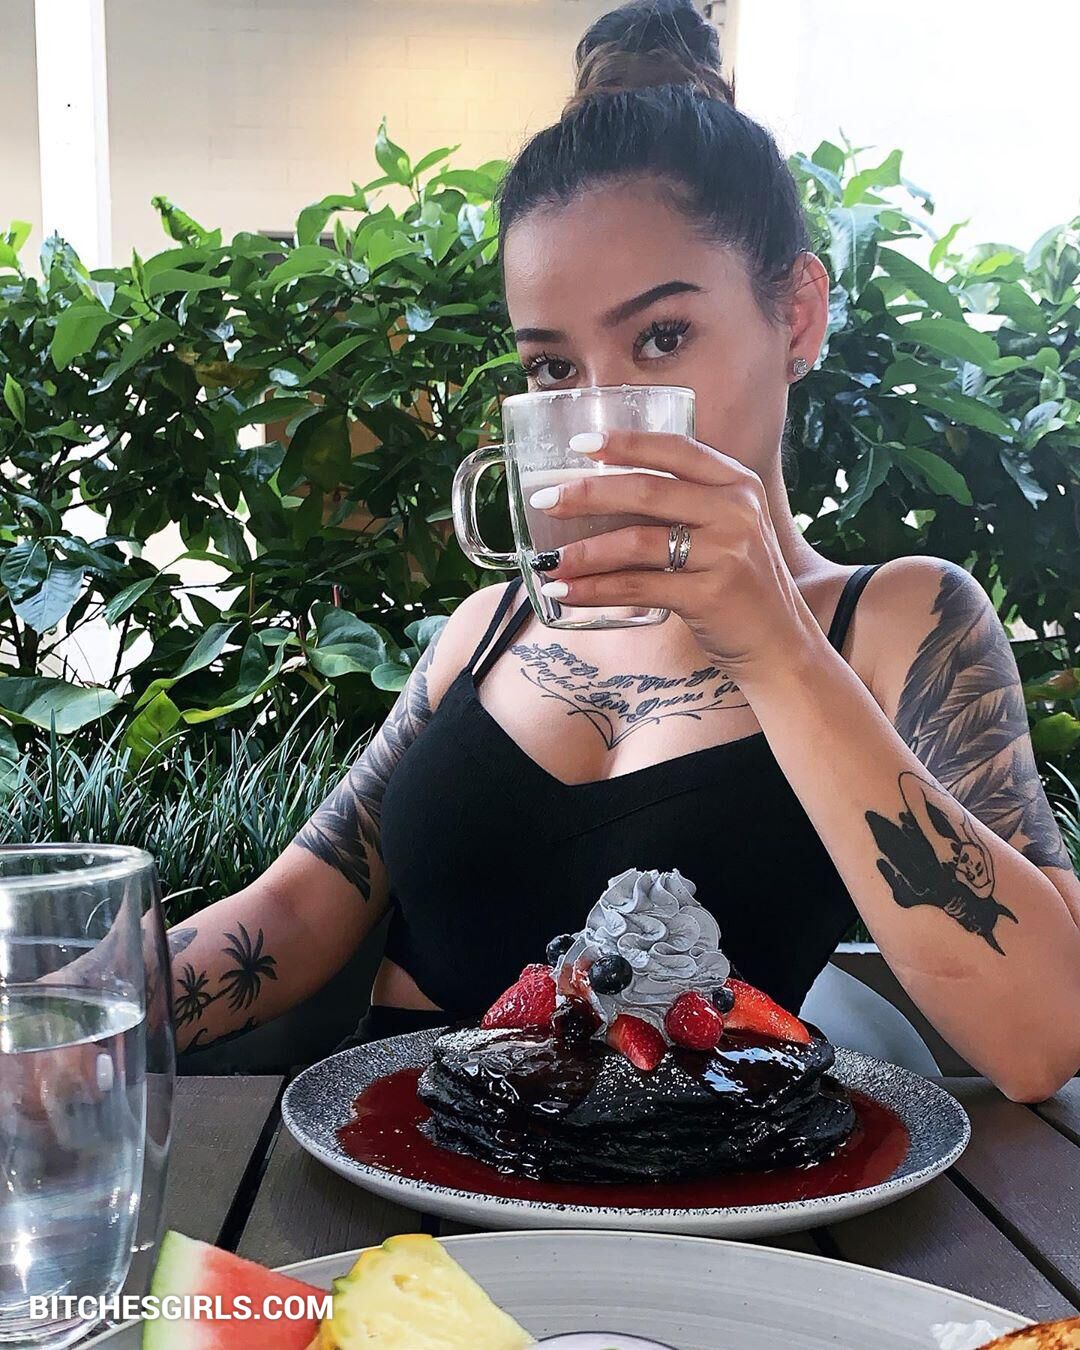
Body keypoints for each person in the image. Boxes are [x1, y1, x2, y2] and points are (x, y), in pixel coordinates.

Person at [167, 0, 1080, 1100]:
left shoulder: (895, 622)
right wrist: (70, 1010)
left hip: (688, 1192)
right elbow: (293, 913)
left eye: (661, 337)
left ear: (797, 316)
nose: (600, 423)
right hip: (384, 1166)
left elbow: (1043, 1038)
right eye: (554, 369)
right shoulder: (487, 630)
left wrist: (775, 646)